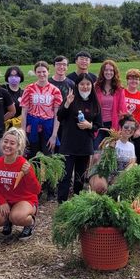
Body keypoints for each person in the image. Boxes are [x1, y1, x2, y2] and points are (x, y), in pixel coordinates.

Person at [57, 73, 102, 203]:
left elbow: (99, 125)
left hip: (85, 145)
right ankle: (62, 202)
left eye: (88, 84)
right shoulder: (70, 98)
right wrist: (67, 104)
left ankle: (77, 200)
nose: (85, 87)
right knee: (65, 176)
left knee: (80, 176)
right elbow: (60, 116)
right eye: (82, 84)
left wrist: (89, 125)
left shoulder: (94, 102)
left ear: (91, 86)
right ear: (77, 85)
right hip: (68, 144)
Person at [0, 128, 41, 240]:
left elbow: (36, 190)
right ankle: (8, 220)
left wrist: (28, 174)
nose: (7, 145)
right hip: (6, 200)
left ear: (18, 147)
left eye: (12, 143)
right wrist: (2, 202)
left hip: (24, 200)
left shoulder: (24, 164)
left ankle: (30, 223)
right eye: (5, 141)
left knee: (17, 217)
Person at [20, 61, 63, 157]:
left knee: (48, 157)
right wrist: (23, 133)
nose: (41, 74)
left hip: (48, 127)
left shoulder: (55, 90)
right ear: (35, 73)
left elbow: (57, 114)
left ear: (48, 72)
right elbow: (24, 112)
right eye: (39, 72)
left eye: (44, 71)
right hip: (32, 127)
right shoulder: (29, 89)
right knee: (33, 157)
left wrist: (54, 135)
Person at [89, 115, 137, 194]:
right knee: (100, 187)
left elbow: (132, 162)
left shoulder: (131, 146)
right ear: (121, 128)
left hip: (121, 175)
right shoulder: (112, 142)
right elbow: (103, 164)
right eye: (126, 127)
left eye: (132, 128)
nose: (129, 129)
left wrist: (122, 175)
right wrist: (110, 149)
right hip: (106, 173)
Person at [94, 60, 127, 152]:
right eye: (106, 70)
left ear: (114, 72)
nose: (108, 72)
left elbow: (122, 110)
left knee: (111, 153)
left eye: (111, 70)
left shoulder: (119, 89)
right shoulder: (96, 87)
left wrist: (121, 129)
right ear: (102, 72)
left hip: (113, 126)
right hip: (99, 125)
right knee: (96, 151)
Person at [124, 69, 140, 165]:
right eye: (131, 78)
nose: (134, 81)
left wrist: (139, 130)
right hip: (122, 129)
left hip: (136, 129)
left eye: (137, 79)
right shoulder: (121, 93)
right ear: (127, 80)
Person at [2, 65, 25, 130]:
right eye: (11, 76)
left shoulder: (24, 93)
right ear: (7, 77)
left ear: (20, 77)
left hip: (17, 127)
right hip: (2, 125)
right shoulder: (2, 90)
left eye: (16, 76)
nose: (14, 78)